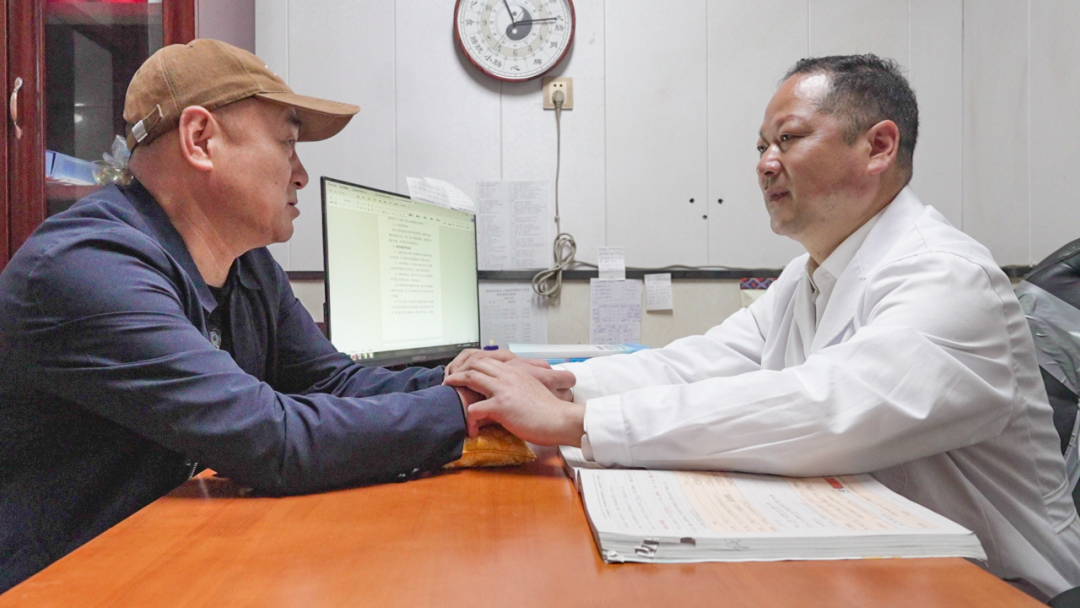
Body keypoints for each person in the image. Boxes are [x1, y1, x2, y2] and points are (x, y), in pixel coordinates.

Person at [445, 55, 1080, 599]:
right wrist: (556, 382)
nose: (765, 164)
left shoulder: (948, 275)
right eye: (760, 147)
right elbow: (698, 363)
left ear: (879, 147)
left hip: (1002, 586)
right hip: (882, 565)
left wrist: (577, 422)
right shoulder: (810, 274)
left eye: (789, 139)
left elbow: (830, 408)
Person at [0, 39, 478, 592]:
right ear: (200, 140)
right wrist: (463, 411)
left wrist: (464, 380)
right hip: (64, 583)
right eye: (288, 144)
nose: (301, 175)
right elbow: (269, 438)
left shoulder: (246, 264)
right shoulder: (85, 266)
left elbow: (331, 380)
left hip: (172, 559)